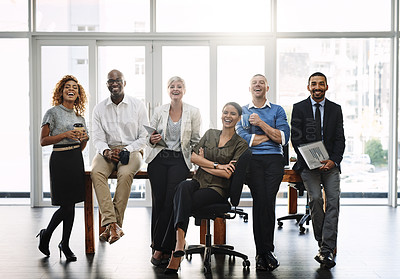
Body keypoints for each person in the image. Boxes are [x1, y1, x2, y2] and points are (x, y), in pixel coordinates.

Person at [164, 102, 248, 274]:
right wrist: (218, 166)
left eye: (233, 114)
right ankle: (180, 241)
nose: (228, 116)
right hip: (198, 181)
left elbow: (227, 175)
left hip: (217, 189)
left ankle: (176, 249)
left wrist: (204, 164)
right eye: (225, 112)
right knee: (182, 187)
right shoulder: (210, 134)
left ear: (239, 118)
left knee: (181, 201)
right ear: (221, 114)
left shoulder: (241, 144)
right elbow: (193, 157)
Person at [291, 72, 345, 269]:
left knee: (333, 201)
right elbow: (296, 139)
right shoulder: (299, 108)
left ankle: (326, 249)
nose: (317, 87)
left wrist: (333, 160)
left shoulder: (335, 109)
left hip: (330, 165)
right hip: (309, 165)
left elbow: (340, 139)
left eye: (321, 84)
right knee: (315, 198)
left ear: (326, 87)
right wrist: (310, 160)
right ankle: (323, 242)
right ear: (308, 87)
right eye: (314, 84)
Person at [236, 74, 290, 271]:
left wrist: (260, 124)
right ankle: (264, 251)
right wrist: (271, 133)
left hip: (274, 160)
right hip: (252, 161)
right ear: (249, 88)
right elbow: (244, 139)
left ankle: (264, 252)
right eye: (254, 83)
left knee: (268, 200)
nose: (257, 85)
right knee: (261, 200)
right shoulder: (241, 111)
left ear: (267, 87)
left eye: (261, 82)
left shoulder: (277, 110)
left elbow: (283, 139)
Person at [145, 76, 201, 266]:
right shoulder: (159, 110)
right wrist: (151, 139)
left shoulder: (193, 112)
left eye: (179, 86)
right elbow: (148, 136)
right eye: (172, 86)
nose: (175, 89)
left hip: (179, 160)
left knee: (171, 202)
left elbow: (195, 139)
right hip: (159, 159)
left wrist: (199, 160)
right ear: (168, 90)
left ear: (184, 89)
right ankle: (157, 246)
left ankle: (162, 249)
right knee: (159, 202)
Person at [91, 69, 149, 244]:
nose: (114, 83)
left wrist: (128, 149)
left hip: (132, 150)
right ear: (107, 84)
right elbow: (97, 138)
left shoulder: (137, 105)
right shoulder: (99, 108)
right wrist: (106, 151)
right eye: (110, 81)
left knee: (125, 174)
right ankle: (113, 225)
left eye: (118, 80)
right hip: (107, 150)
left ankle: (111, 225)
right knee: (96, 172)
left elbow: (144, 136)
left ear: (124, 83)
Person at [37, 75, 89, 262]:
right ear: (61, 91)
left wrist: (83, 140)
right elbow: (43, 141)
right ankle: (47, 235)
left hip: (76, 159)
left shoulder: (80, 117)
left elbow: (81, 146)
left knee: (72, 204)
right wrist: (65, 134)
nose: (71, 89)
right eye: (68, 86)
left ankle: (65, 243)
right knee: (65, 205)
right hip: (59, 160)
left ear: (78, 93)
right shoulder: (52, 112)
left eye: (75, 87)